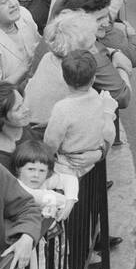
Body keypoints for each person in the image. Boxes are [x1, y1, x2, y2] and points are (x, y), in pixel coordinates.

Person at [43, 49, 117, 189]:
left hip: (67, 166)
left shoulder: (62, 108)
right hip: (90, 161)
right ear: (93, 78)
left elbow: (50, 143)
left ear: (64, 78)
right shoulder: (96, 96)